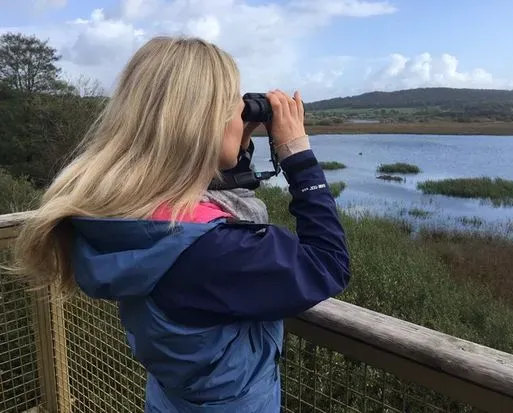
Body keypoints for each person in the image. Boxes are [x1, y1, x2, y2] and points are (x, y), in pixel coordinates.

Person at [10, 36, 350, 412]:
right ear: (203, 126)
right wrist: (298, 155)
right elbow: (328, 264)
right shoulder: (214, 250)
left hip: (172, 397)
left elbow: (198, 202)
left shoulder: (122, 215)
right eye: (233, 111)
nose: (241, 120)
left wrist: (231, 150)